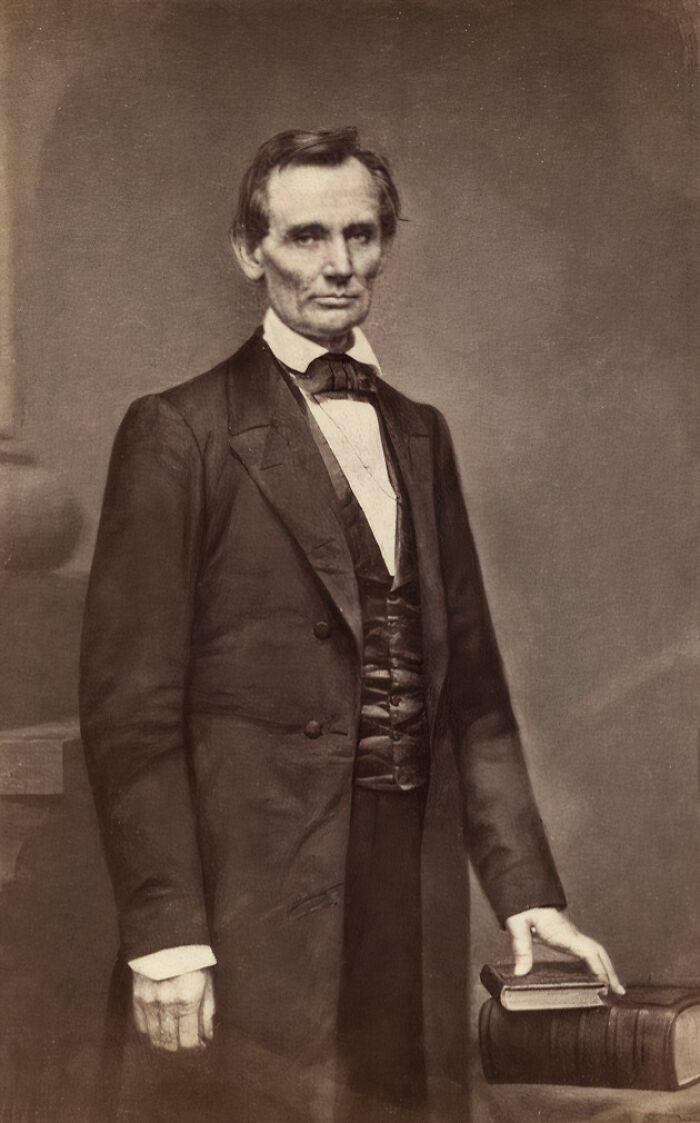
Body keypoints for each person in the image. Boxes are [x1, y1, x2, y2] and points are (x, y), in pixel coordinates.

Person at [80, 127, 623, 1123]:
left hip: (403, 878)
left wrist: (527, 897)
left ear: (384, 244)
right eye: (305, 236)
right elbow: (130, 710)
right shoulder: (178, 431)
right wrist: (164, 930)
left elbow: (475, 699)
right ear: (251, 250)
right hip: (245, 893)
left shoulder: (420, 430)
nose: (336, 264)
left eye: (360, 235)